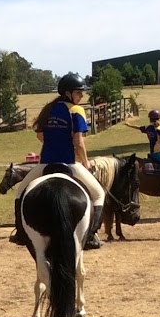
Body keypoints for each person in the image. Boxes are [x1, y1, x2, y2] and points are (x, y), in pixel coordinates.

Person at [12, 74, 106, 250]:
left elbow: (40, 135)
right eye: (79, 93)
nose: (81, 96)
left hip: (45, 163)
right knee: (99, 194)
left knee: (20, 192)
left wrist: (53, 143)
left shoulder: (48, 109)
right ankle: (91, 235)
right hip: (69, 163)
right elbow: (78, 142)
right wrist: (85, 162)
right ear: (68, 93)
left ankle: (20, 233)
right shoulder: (76, 111)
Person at [126, 108, 160, 192]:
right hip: (158, 153)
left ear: (150, 118)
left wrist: (128, 125)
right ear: (158, 118)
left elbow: (139, 128)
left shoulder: (148, 128)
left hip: (152, 153)